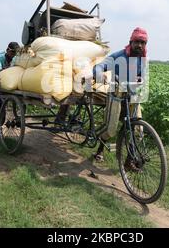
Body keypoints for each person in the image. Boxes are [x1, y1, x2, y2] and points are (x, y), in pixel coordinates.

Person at [55, 27, 148, 162]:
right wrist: (98, 74)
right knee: (110, 128)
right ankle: (99, 149)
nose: (139, 45)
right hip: (116, 95)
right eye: (137, 42)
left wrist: (139, 81)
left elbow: (142, 77)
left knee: (137, 129)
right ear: (131, 42)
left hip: (132, 96)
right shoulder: (119, 56)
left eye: (143, 43)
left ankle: (129, 160)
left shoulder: (142, 59)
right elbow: (100, 66)